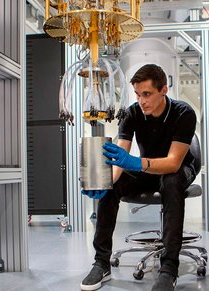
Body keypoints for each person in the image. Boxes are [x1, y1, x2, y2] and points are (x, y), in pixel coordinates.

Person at [80, 64, 197, 291]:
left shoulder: (184, 113)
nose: (141, 100)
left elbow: (173, 162)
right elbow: (121, 155)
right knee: (112, 186)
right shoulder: (133, 113)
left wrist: (134, 162)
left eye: (147, 94)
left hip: (179, 168)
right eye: (137, 94)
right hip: (147, 168)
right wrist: (104, 182)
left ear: (163, 89)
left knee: (171, 181)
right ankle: (101, 263)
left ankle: (169, 269)